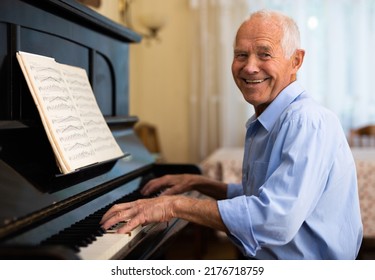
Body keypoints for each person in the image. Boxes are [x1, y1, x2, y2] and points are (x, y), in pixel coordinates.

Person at [100, 10, 363, 260]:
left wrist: (173, 206)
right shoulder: (270, 118)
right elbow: (264, 195)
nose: (249, 67)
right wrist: (198, 183)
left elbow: (274, 218)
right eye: (241, 55)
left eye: (264, 54)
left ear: (296, 61)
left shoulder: (306, 120)